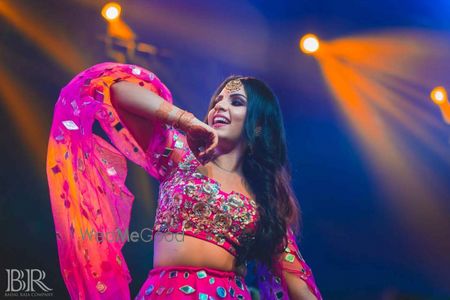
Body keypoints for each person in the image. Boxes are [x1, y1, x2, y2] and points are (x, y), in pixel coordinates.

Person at [46, 62, 322, 299]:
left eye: (236, 102)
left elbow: (297, 283)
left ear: (259, 125)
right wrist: (185, 121)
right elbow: (116, 90)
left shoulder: (266, 199)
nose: (220, 107)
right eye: (217, 101)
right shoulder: (179, 156)